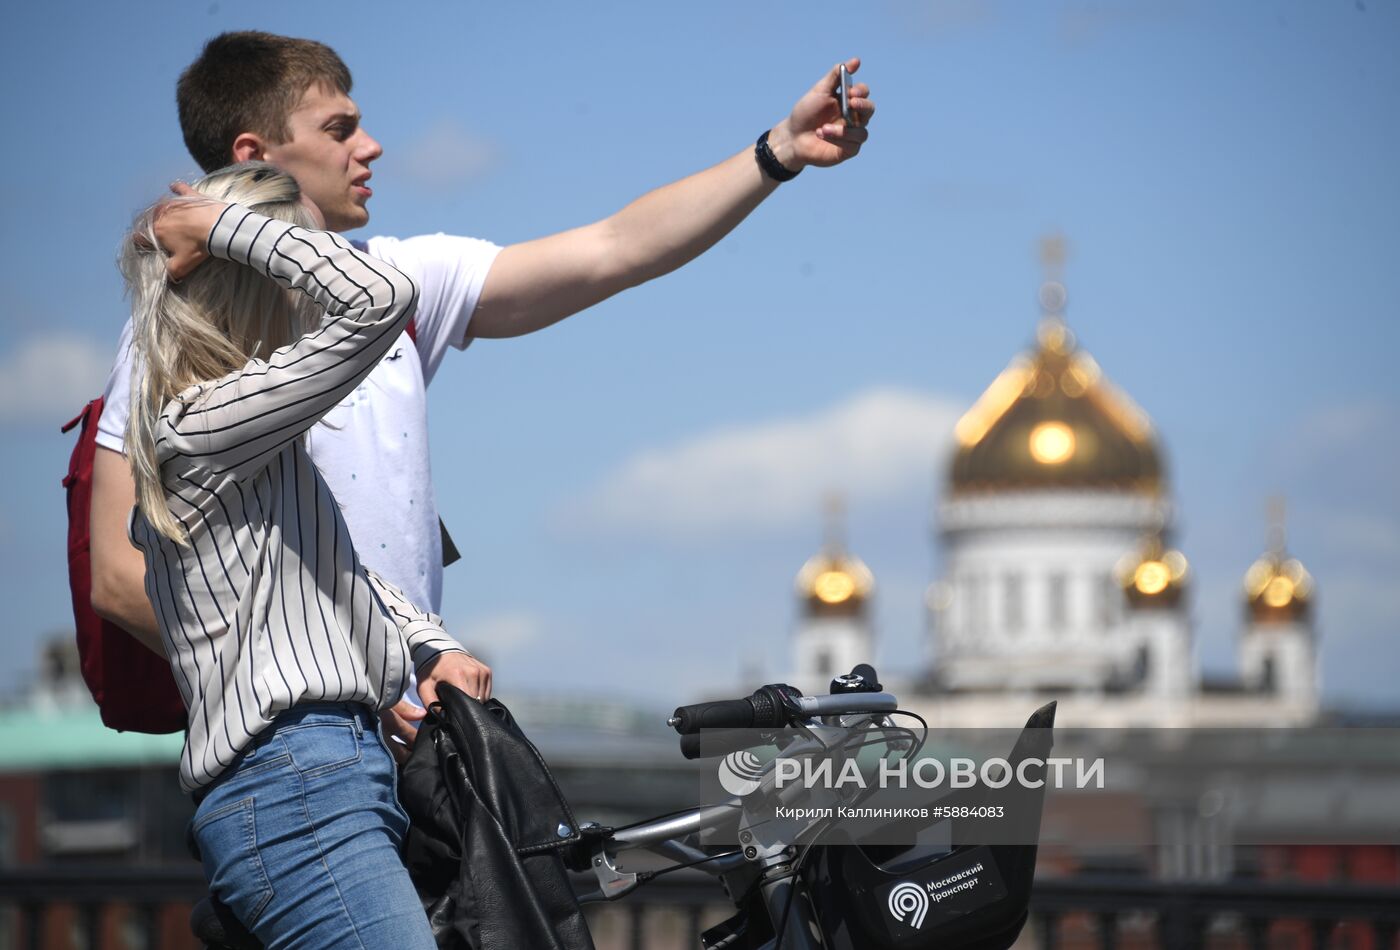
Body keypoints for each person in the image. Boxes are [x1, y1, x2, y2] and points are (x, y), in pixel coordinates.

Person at [89, 31, 875, 753]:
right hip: (301, 742)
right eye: (339, 129)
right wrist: (336, 684)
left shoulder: (405, 275)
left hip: (419, 725)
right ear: (256, 152)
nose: (371, 145)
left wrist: (780, 151)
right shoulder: (186, 329)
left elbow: (616, 248)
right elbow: (119, 579)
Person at [122, 161, 467, 947]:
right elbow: (382, 298)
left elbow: (328, 571)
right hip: (298, 783)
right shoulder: (205, 425)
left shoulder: (233, 438)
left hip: (316, 778)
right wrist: (218, 227)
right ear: (256, 279)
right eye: (293, 257)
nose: (309, 282)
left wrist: (429, 640)